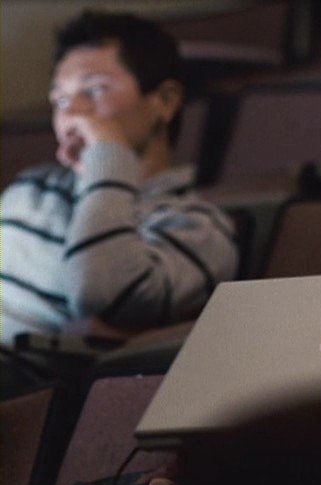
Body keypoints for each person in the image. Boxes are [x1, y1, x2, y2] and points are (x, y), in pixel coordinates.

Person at [0, 10, 238, 343]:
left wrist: (108, 158)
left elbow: (100, 294)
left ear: (165, 101)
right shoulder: (32, 189)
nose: (71, 112)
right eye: (61, 99)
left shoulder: (196, 227)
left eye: (95, 90)